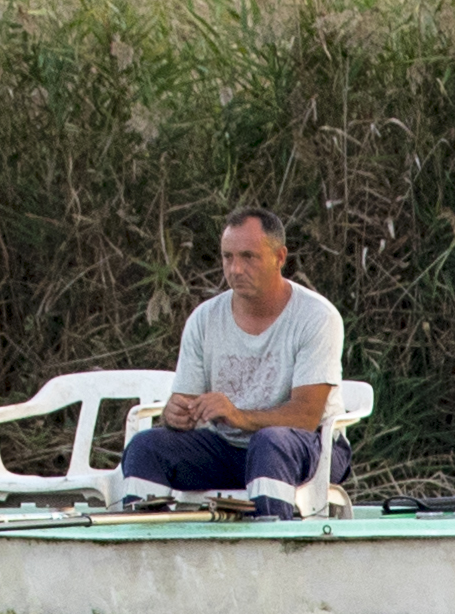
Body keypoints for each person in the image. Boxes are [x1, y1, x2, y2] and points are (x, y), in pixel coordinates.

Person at [120, 208, 343, 509]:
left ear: (280, 257)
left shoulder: (316, 316)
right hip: (226, 448)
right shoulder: (204, 318)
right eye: (228, 257)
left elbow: (306, 417)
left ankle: (273, 535)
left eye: (249, 257)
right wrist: (175, 415)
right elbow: (185, 402)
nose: (235, 269)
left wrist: (238, 416)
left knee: (269, 443)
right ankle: (145, 535)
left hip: (308, 446)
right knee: (146, 447)